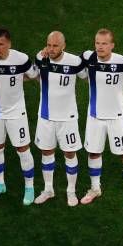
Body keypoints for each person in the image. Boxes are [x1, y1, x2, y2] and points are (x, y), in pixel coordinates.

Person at [0, 28, 38, 205]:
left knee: (23, 149)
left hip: (17, 112)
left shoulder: (21, 59)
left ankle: (29, 187)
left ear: (9, 44)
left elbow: (32, 75)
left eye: (1, 44)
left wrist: (16, 79)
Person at [79, 28, 123, 207]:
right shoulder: (88, 57)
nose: (100, 47)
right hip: (95, 117)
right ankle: (95, 188)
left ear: (112, 45)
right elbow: (70, 61)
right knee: (93, 152)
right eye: (97, 43)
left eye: (104, 43)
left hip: (117, 118)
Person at [33, 31, 86, 206]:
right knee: (46, 152)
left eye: (55, 45)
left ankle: (71, 191)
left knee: (69, 153)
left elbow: (87, 77)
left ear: (63, 46)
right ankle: (48, 189)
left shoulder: (75, 62)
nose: (51, 49)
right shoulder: (41, 58)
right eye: (49, 44)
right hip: (46, 116)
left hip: (67, 118)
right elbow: (36, 76)